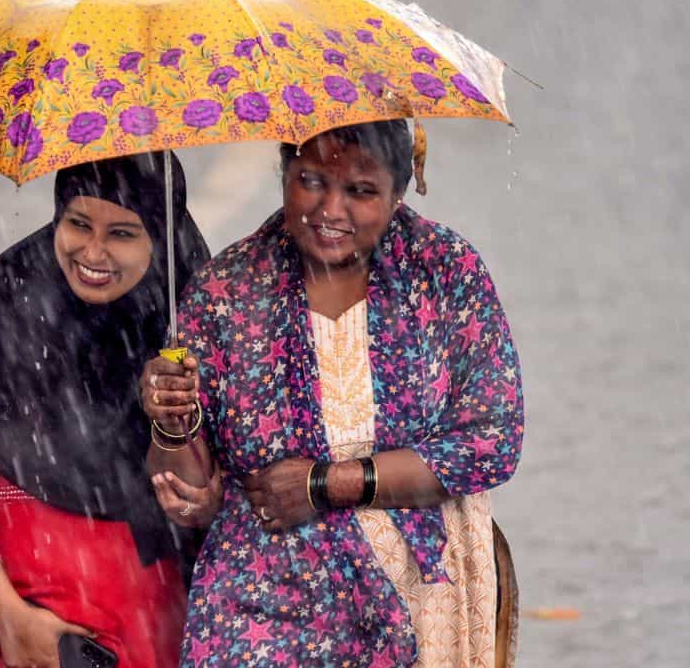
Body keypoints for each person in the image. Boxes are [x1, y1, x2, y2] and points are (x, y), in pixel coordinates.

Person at [141, 120, 524, 668]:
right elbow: (189, 493)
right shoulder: (227, 288)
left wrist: (326, 484)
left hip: (424, 586)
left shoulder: (445, 271)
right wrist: (171, 419)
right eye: (312, 180)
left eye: (361, 190)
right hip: (265, 602)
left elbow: (493, 441)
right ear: (284, 171)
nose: (331, 209)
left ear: (397, 192)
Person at [0, 152, 210, 668]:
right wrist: (9, 617)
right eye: (78, 224)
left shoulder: (198, 321)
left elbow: (212, 505)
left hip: (141, 634)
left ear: (160, 237)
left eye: (122, 233)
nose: (93, 252)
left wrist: (172, 419)